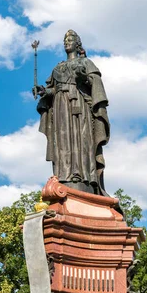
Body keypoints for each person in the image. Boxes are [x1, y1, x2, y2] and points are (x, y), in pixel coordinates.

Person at [34, 30, 110, 196]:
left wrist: (84, 78)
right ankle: (63, 176)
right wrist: (44, 91)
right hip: (61, 106)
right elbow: (52, 89)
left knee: (80, 137)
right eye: (65, 40)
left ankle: (82, 176)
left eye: (70, 39)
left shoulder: (85, 63)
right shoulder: (58, 67)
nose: (66, 42)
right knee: (63, 140)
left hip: (79, 105)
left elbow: (94, 82)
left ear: (78, 43)